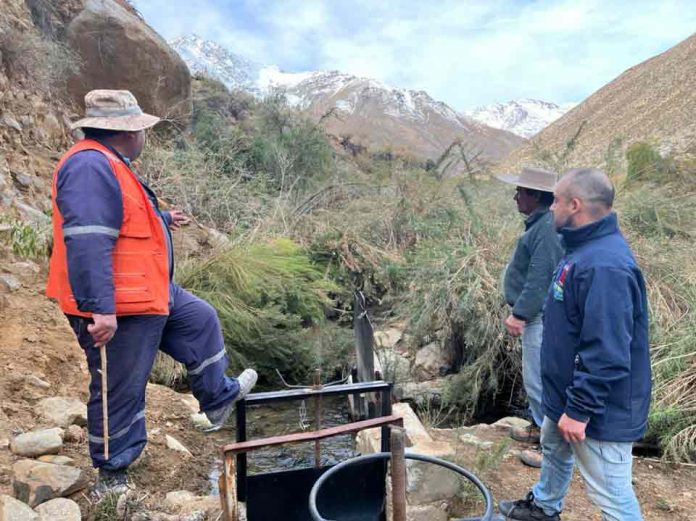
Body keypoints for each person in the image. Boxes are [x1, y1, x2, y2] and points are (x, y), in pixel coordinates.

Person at [46, 90, 258, 494]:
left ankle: (217, 398)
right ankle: (112, 473)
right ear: (127, 132)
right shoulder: (90, 165)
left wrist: (161, 217)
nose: (145, 135)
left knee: (200, 320)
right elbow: (88, 239)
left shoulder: (111, 163)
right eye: (142, 129)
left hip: (150, 292)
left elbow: (120, 219)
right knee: (120, 386)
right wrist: (100, 309)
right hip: (118, 305)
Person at [499, 168, 651, 521]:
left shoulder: (605, 266)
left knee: (613, 496)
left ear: (575, 205)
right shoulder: (581, 249)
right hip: (564, 394)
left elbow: (609, 353)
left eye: (557, 201)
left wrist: (580, 409)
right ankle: (544, 505)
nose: (551, 208)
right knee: (554, 449)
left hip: (599, 410)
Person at [496, 167, 563, 468]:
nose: (515, 197)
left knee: (539, 380)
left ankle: (549, 448)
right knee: (535, 378)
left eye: (520, 191)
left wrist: (520, 313)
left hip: (539, 317)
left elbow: (540, 278)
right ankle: (539, 428)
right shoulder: (540, 224)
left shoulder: (546, 228)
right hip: (538, 316)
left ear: (535, 196)